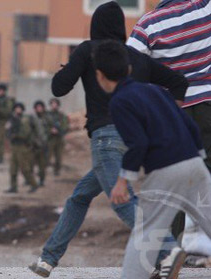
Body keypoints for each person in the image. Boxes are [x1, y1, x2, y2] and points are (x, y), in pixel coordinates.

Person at [29, 2, 188, 278]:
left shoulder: (88, 50)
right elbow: (178, 82)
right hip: (135, 139)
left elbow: (58, 87)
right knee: (79, 197)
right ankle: (47, 259)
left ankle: (167, 249)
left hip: (106, 138)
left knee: (122, 201)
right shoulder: (134, 57)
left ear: (96, 25)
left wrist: (70, 68)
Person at [94, 39, 211, 279]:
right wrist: (198, 157)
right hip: (194, 164)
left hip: (164, 171)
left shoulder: (120, 102)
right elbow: (188, 123)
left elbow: (139, 144)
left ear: (100, 76)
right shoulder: (155, 90)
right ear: (128, 69)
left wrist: (122, 180)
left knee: (146, 233)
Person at [127, 0, 211, 252]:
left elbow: (128, 69)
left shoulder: (147, 25)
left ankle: (168, 252)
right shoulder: (205, 9)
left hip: (171, 115)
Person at [6, 103, 39, 193]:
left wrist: (15, 135)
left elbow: (25, 133)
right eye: (16, 108)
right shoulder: (12, 119)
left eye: (19, 108)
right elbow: (7, 131)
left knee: (25, 168)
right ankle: (13, 187)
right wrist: (10, 134)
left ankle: (34, 184)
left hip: (22, 146)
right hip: (14, 146)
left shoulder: (25, 119)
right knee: (13, 168)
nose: (18, 110)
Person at [31, 100, 51, 186]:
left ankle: (41, 180)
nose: (39, 109)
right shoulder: (32, 118)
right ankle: (30, 180)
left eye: (40, 107)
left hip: (43, 145)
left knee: (42, 165)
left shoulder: (47, 118)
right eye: (37, 107)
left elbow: (51, 129)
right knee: (30, 164)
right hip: (33, 145)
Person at [47, 98, 69, 176]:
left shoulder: (61, 115)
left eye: (55, 104)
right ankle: (43, 170)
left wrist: (59, 131)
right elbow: (44, 125)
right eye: (52, 104)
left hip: (59, 138)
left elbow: (66, 126)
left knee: (58, 156)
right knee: (47, 155)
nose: (54, 105)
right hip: (50, 138)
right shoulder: (47, 115)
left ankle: (57, 170)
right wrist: (50, 130)